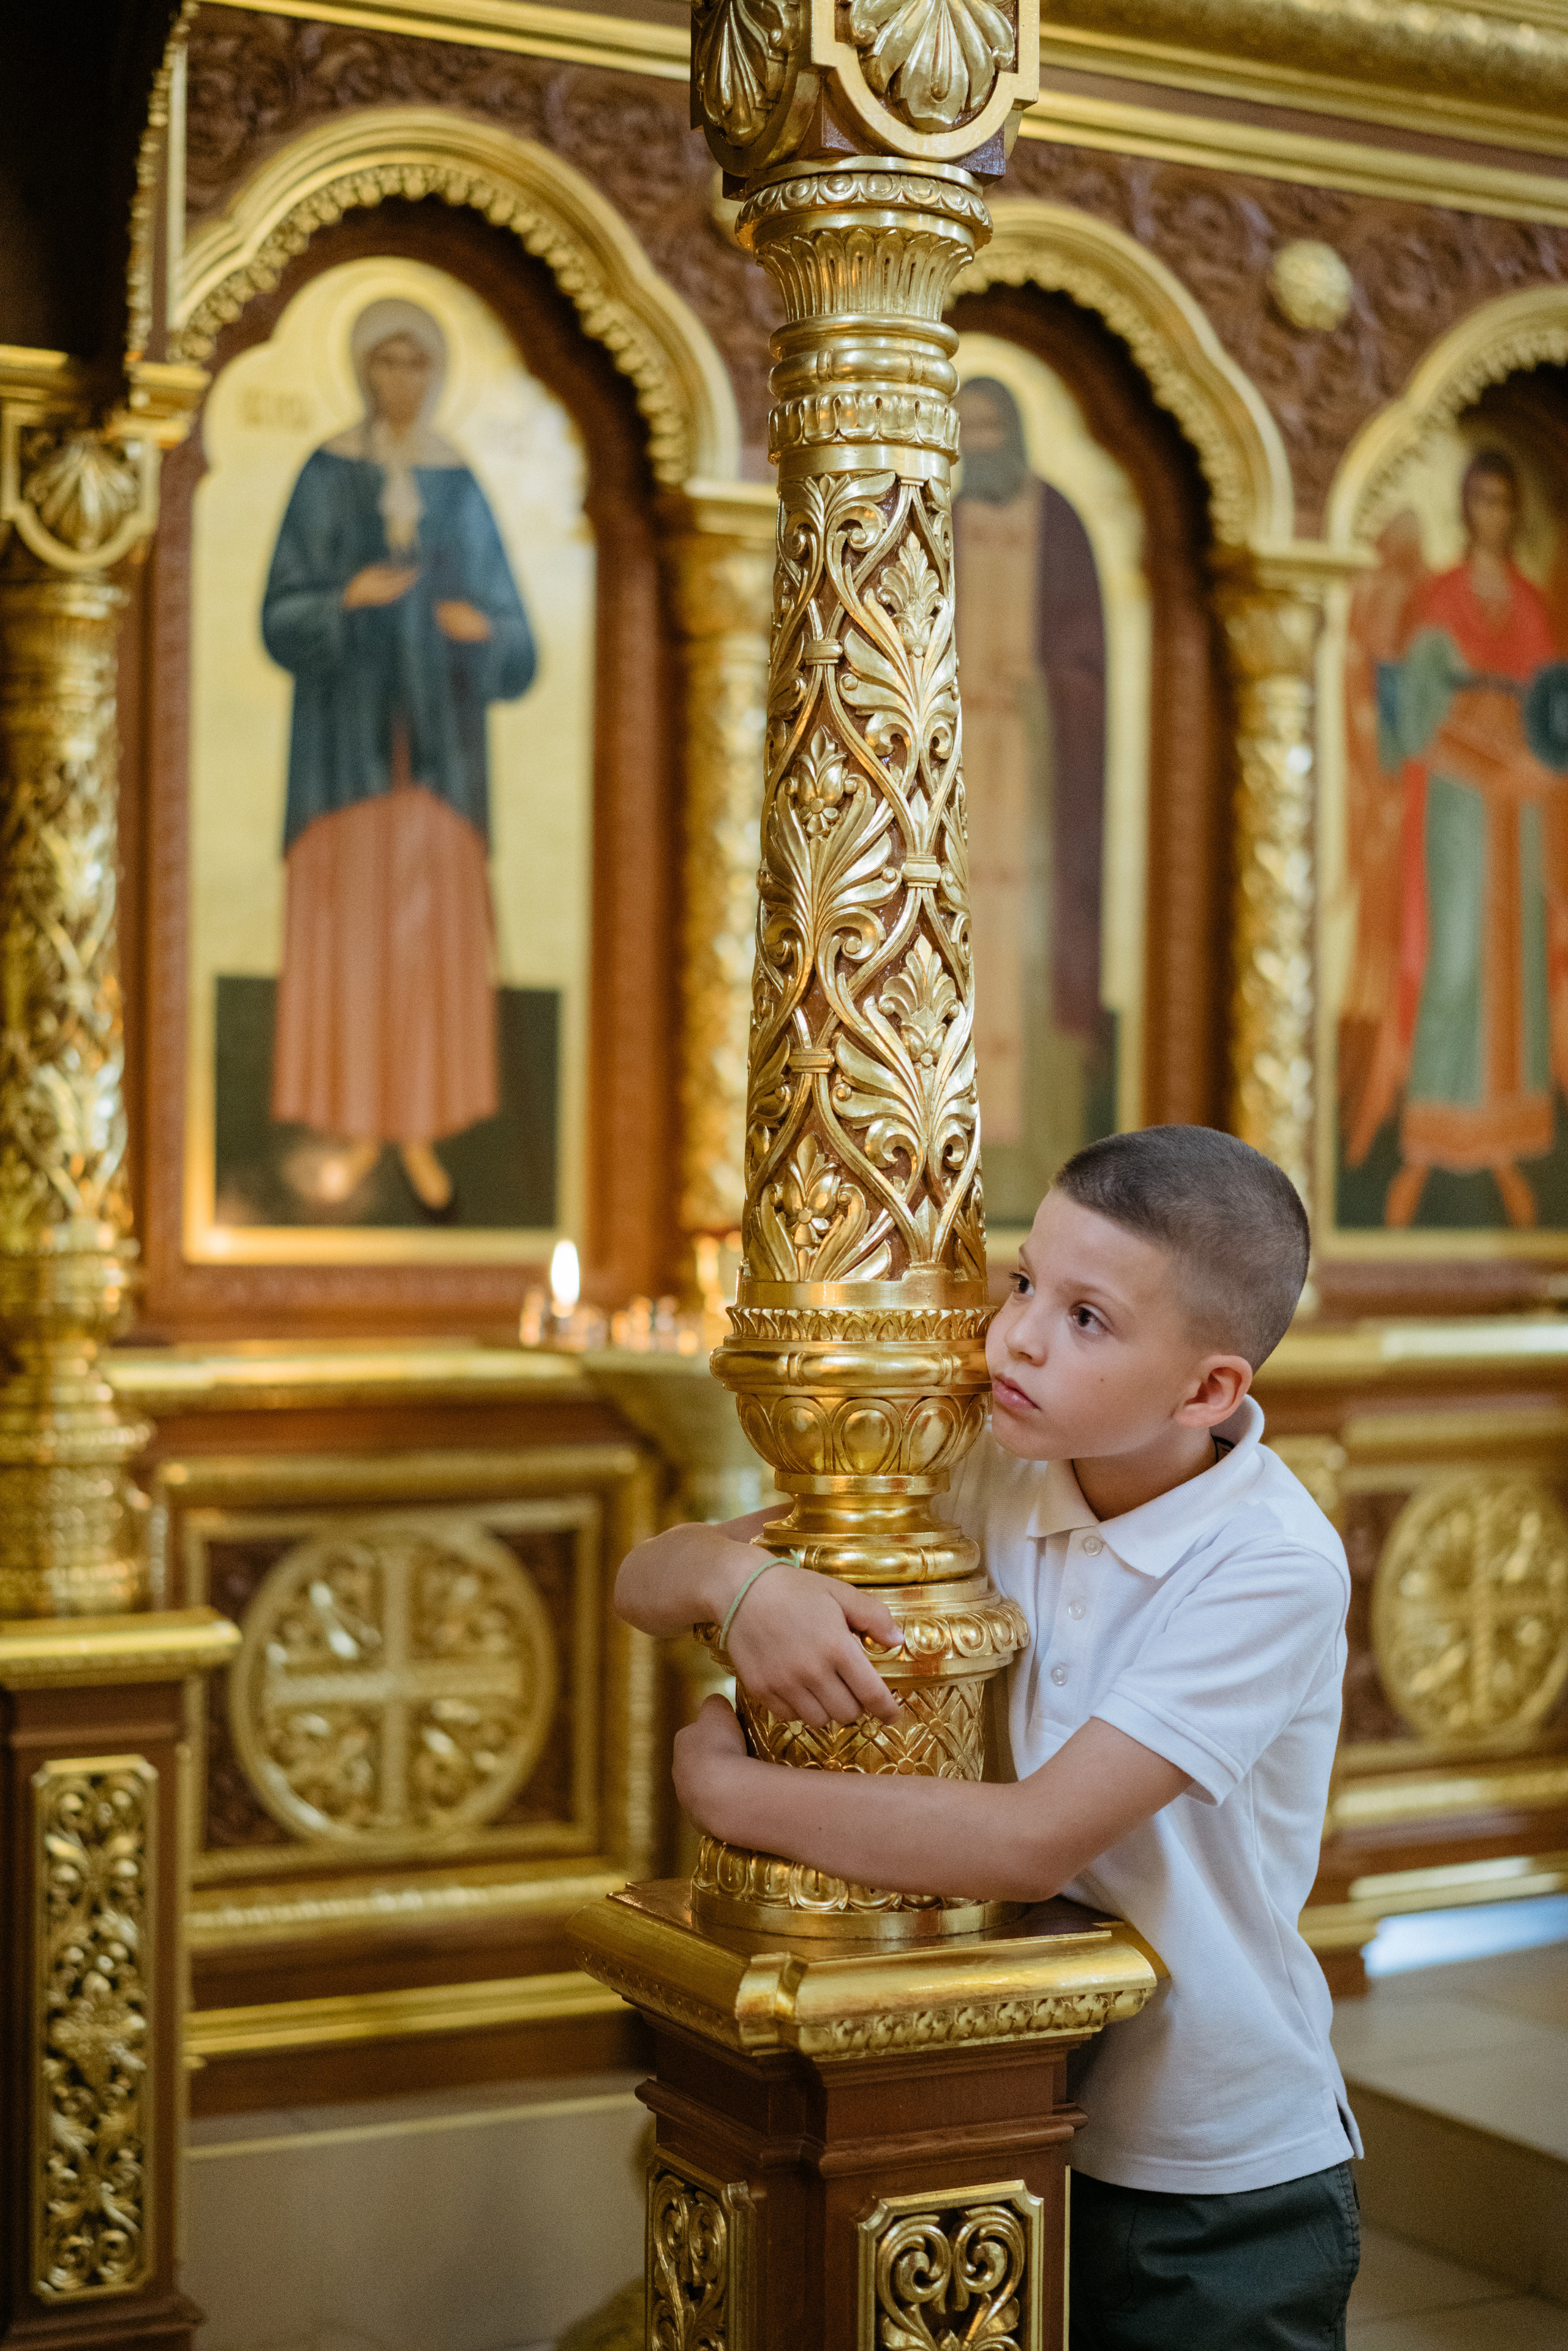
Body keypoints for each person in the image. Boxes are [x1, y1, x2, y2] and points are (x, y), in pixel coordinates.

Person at [616, 1124, 1360, 2350]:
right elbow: (647, 1582)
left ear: (1206, 1390)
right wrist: (738, 1583)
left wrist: (727, 1790)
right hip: (994, 2086)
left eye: (1086, 1317)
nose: (1012, 1333)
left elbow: (1030, 1841)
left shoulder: (1269, 1560)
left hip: (1204, 2163)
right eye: (1022, 1280)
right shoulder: (996, 1465)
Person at [262, 296, 536, 1219]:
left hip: (440, 769)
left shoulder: (458, 486)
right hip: (344, 765)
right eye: (386, 365)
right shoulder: (326, 474)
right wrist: (347, 598)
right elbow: (281, 614)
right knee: (352, 943)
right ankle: (351, 1125)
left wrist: (480, 629)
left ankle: (418, 1128)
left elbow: (518, 636)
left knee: (429, 947)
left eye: (417, 365)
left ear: (437, 376)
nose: (401, 384)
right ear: (362, 373)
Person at [1342, 448, 1565, 1229]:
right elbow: (1410, 708)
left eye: (1501, 499)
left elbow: (1552, 711)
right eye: (1475, 497)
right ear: (1464, 508)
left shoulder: (1533, 605)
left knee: (1517, 965)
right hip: (1455, 794)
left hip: (1519, 802)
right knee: (1456, 954)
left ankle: (1504, 1139)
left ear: (1514, 512)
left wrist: (1534, 765)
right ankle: (1430, 1135)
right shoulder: (1439, 596)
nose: (1488, 511)